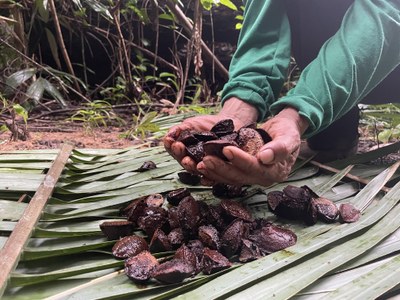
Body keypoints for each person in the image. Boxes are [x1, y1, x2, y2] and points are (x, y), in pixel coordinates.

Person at [164, 0, 400, 187]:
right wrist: (240, 106)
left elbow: (387, 15)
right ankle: (334, 138)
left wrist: (302, 109)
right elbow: (265, 25)